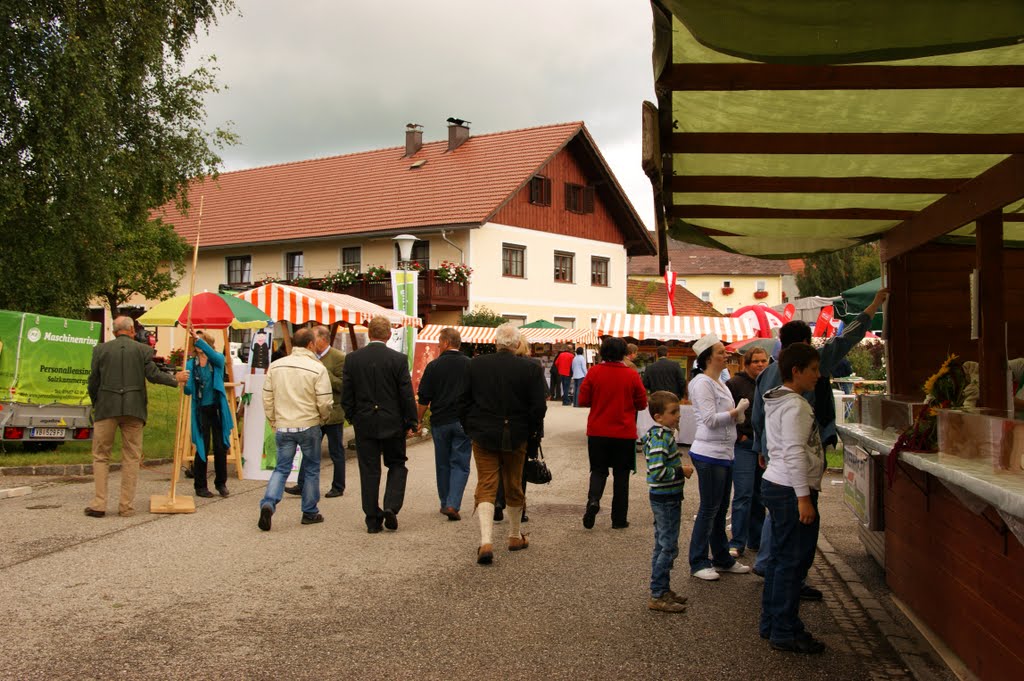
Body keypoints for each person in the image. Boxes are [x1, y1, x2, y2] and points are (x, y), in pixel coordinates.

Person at [751, 288, 888, 582]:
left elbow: (757, 417)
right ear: (804, 347)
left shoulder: (766, 374)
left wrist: (760, 446)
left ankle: (767, 564)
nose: (816, 372)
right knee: (797, 527)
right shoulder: (806, 371)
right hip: (799, 461)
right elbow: (846, 338)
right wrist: (874, 305)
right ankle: (789, 586)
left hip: (772, 460)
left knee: (777, 519)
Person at [460, 324, 547, 565]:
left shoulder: (475, 364)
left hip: (483, 434)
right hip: (516, 434)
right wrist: (530, 430)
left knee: (486, 484)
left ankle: (486, 541)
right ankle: (513, 536)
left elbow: (463, 400)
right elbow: (539, 407)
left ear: (495, 342)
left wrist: (470, 427)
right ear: (517, 343)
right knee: (513, 482)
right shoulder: (531, 367)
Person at [85, 316, 188, 518]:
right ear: (132, 330)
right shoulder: (142, 350)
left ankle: (99, 504)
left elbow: (93, 381)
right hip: (134, 409)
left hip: (106, 408)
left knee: (100, 456)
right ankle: (126, 507)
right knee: (131, 458)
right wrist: (175, 380)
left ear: (114, 331)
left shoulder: (100, 350)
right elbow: (153, 375)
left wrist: (97, 402)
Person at [760, 343, 826, 654]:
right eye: (813, 369)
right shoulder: (796, 406)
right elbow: (795, 452)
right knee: (793, 561)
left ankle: (772, 622)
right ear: (796, 371)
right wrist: (803, 498)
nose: (818, 375)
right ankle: (784, 629)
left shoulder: (780, 400)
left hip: (778, 483)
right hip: (790, 488)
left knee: (780, 558)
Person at [341, 316, 418, 533]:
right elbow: (406, 394)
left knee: (369, 470)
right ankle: (391, 506)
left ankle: (372, 519)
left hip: (364, 422)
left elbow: (347, 394)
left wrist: (352, 416)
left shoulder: (353, 359)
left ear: (369, 333)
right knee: (396, 463)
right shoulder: (398, 359)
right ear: (388, 334)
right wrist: (411, 420)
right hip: (392, 421)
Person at [686, 333, 752, 581]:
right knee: (709, 508)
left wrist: (738, 416)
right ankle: (698, 560)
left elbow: (723, 416)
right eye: (721, 352)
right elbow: (710, 419)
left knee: (720, 507)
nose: (726, 355)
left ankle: (722, 558)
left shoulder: (720, 382)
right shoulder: (702, 383)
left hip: (724, 452)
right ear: (708, 358)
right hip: (709, 453)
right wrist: (738, 411)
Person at [257, 328, 332, 531]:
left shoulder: (276, 365)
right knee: (311, 469)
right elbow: (324, 401)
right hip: (309, 423)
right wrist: (323, 418)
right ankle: (309, 511)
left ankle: (268, 502)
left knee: (281, 468)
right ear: (310, 344)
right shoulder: (318, 368)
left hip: (284, 425)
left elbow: (267, 397)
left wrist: (273, 419)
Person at [577, 336, 647, 529]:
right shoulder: (632, 375)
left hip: (598, 431)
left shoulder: (594, 372)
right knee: (621, 476)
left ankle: (593, 500)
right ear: (624, 353)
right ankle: (618, 519)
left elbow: (583, 400)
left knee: (598, 470)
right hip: (624, 433)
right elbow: (642, 403)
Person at [642, 390, 694, 613]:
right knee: (668, 546)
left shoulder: (660, 435)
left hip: (665, 497)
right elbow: (656, 470)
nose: (678, 416)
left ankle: (662, 589)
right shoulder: (662, 438)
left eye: (678, 411)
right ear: (658, 416)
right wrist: (680, 471)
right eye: (673, 412)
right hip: (666, 498)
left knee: (662, 544)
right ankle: (657, 592)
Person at [284, 325, 347, 498]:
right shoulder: (308, 357)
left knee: (336, 451)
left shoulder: (338, 357)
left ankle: (338, 486)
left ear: (323, 339)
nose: (311, 342)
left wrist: (323, 371)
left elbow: (343, 385)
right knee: (309, 450)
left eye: (314, 337)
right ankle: (302, 483)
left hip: (332, 413)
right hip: (313, 413)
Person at [417, 327, 472, 521]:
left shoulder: (434, 366)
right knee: (461, 463)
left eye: (439, 342)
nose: (438, 346)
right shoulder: (470, 365)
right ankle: (453, 503)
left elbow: (424, 397)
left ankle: (444, 502)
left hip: (440, 421)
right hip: (463, 422)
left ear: (447, 342)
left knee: (442, 463)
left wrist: (417, 420)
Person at [726, 346, 770, 557]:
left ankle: (757, 539)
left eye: (764, 361)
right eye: (756, 361)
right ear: (747, 364)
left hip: (763, 446)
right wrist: (739, 435)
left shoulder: (770, 382)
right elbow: (727, 413)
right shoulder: (734, 383)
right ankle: (737, 542)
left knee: (760, 495)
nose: (761, 365)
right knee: (743, 494)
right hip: (744, 445)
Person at [495, 337, 543, 522]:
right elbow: (540, 400)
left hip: (500, 424)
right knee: (519, 470)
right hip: (524, 426)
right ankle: (519, 510)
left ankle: (499, 502)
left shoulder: (499, 365)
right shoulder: (533, 365)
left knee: (499, 466)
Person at [183, 331, 234, 498]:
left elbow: (217, 357)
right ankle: (200, 486)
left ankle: (221, 483)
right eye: (196, 341)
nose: (198, 344)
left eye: (201, 340)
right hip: (200, 410)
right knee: (202, 446)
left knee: (220, 447)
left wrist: (199, 341)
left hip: (216, 408)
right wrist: (184, 382)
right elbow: (189, 390)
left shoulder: (216, 360)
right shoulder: (192, 364)